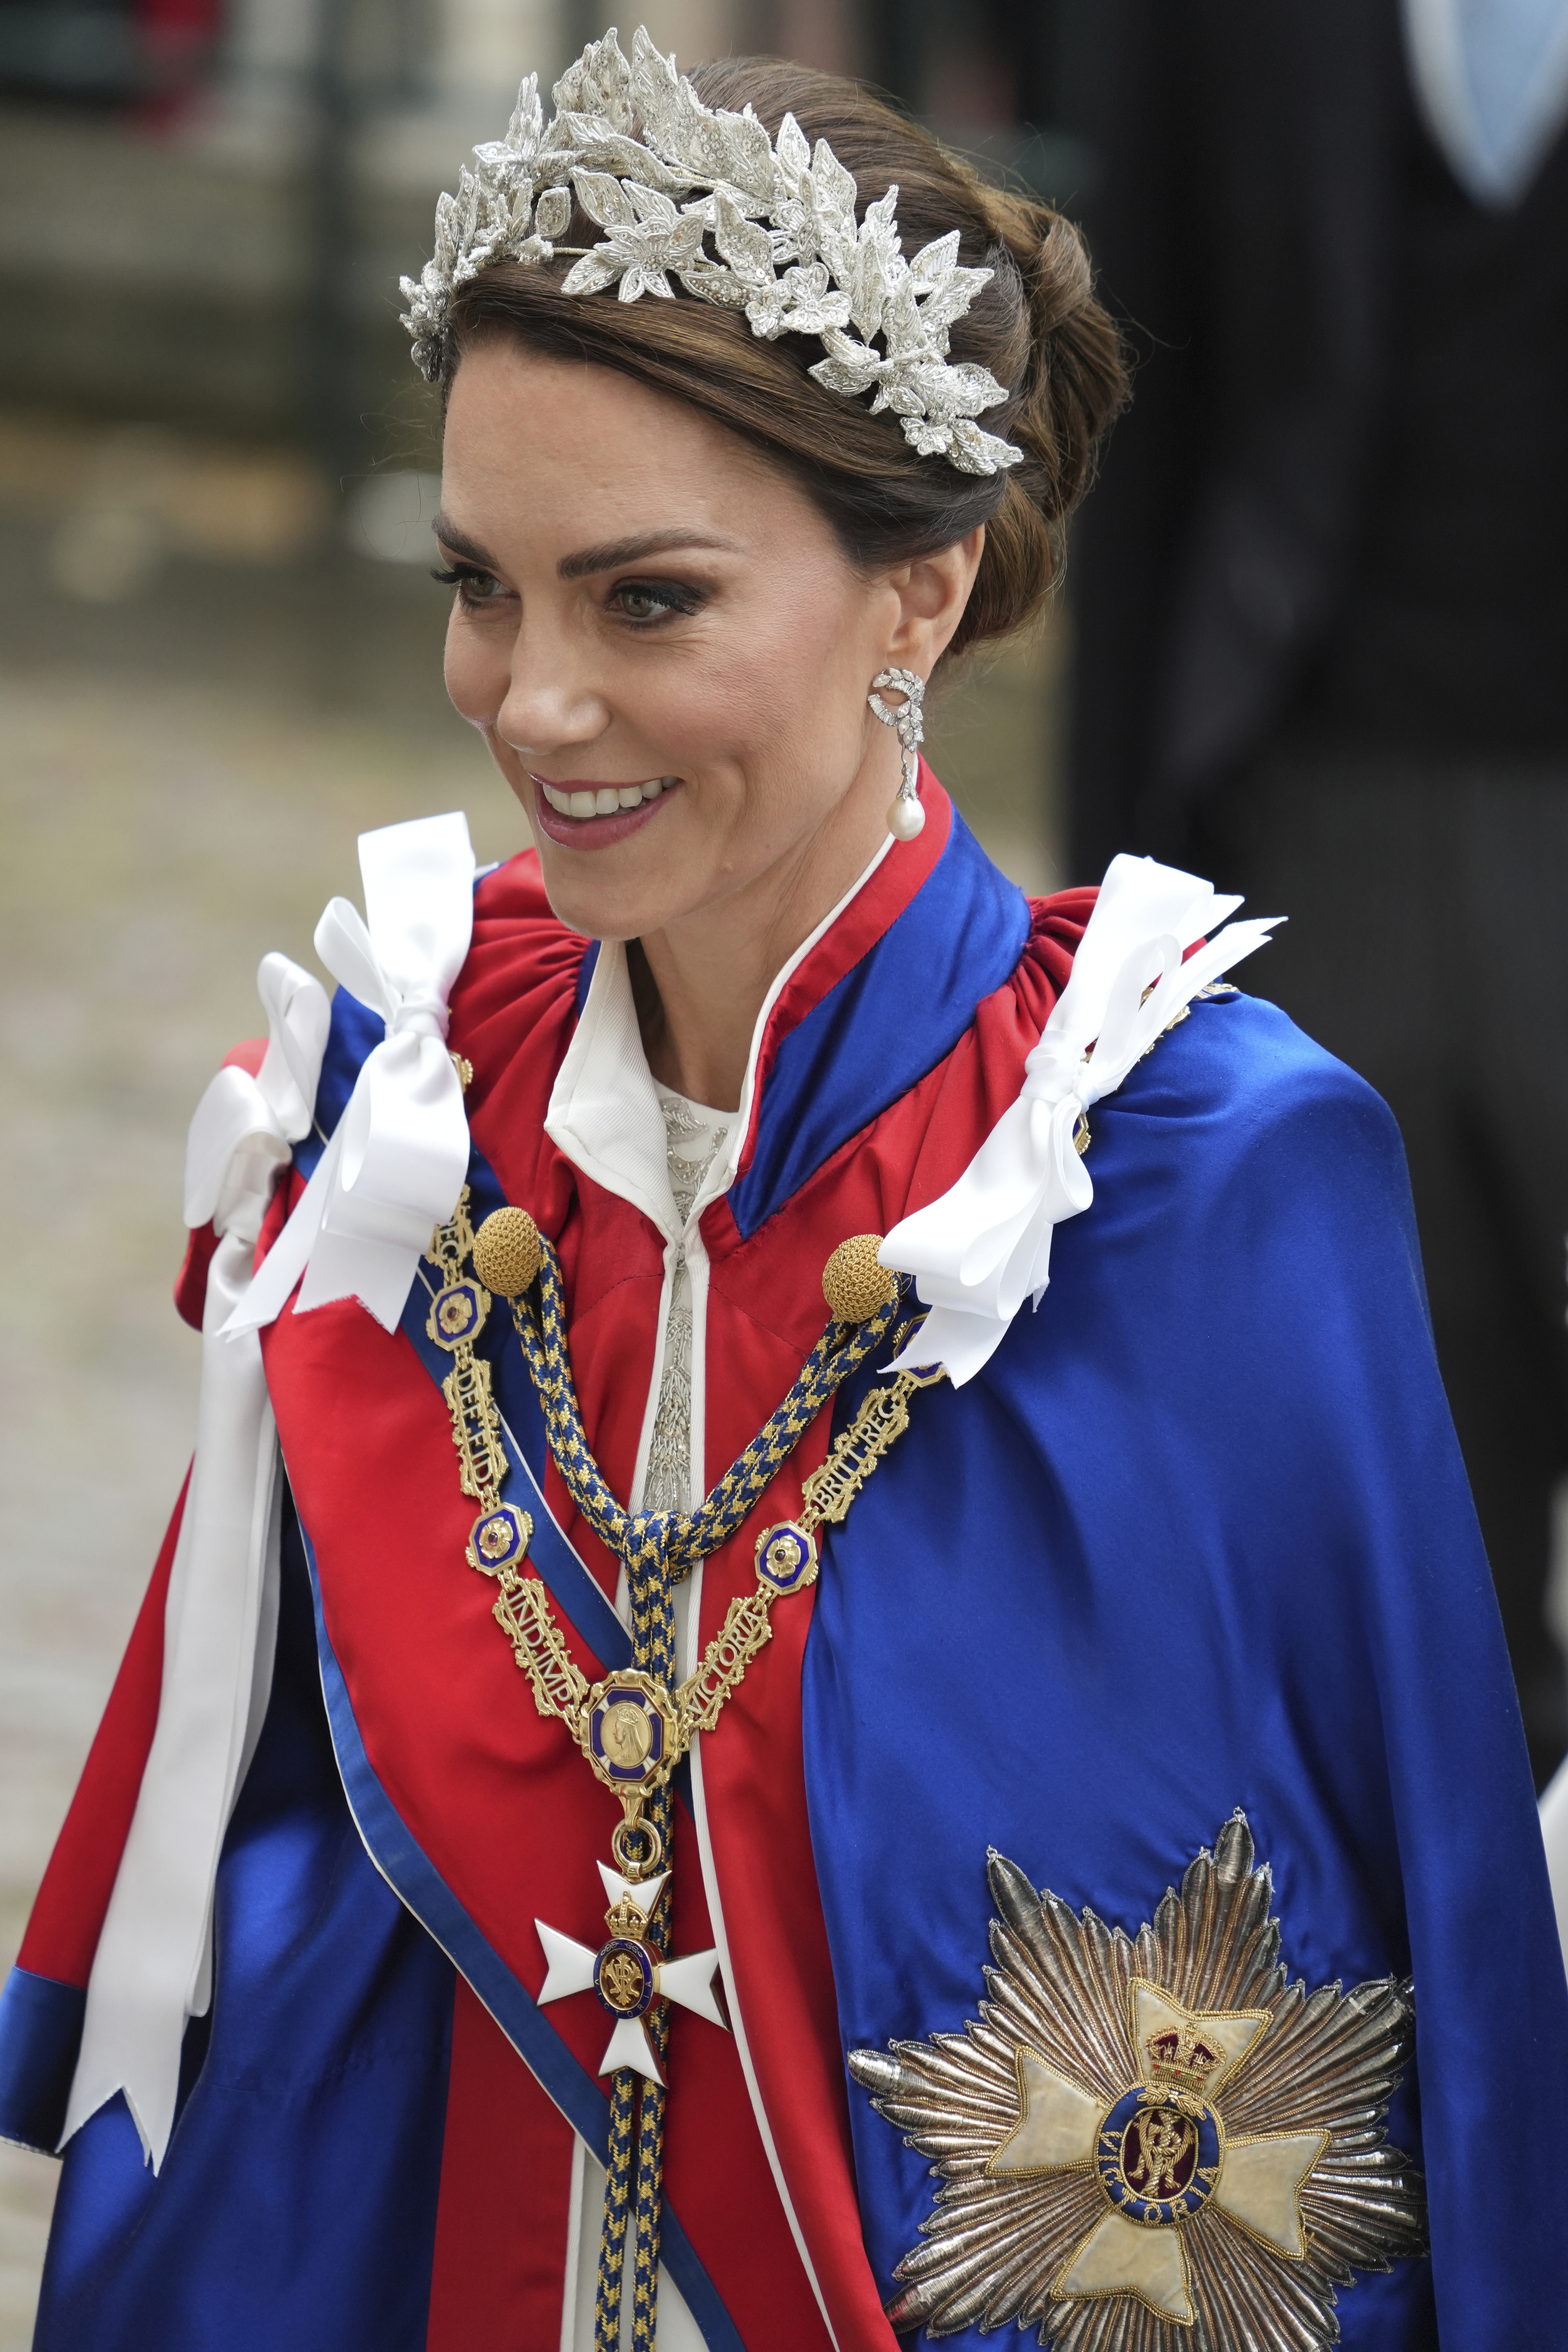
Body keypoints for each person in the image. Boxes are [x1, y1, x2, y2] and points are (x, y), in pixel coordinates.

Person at [1, 30, 1563, 2352]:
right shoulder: (401, 1115)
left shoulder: (1210, 1168)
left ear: (919, 598)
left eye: (643, 602)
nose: (529, 702)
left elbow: (1410, 1988)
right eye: (477, 585)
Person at [1067, 0, 1568, 1787]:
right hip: (1321, 800)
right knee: (1389, 1563)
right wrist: (1106, 931)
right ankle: (1448, 2028)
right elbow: (1147, 417)